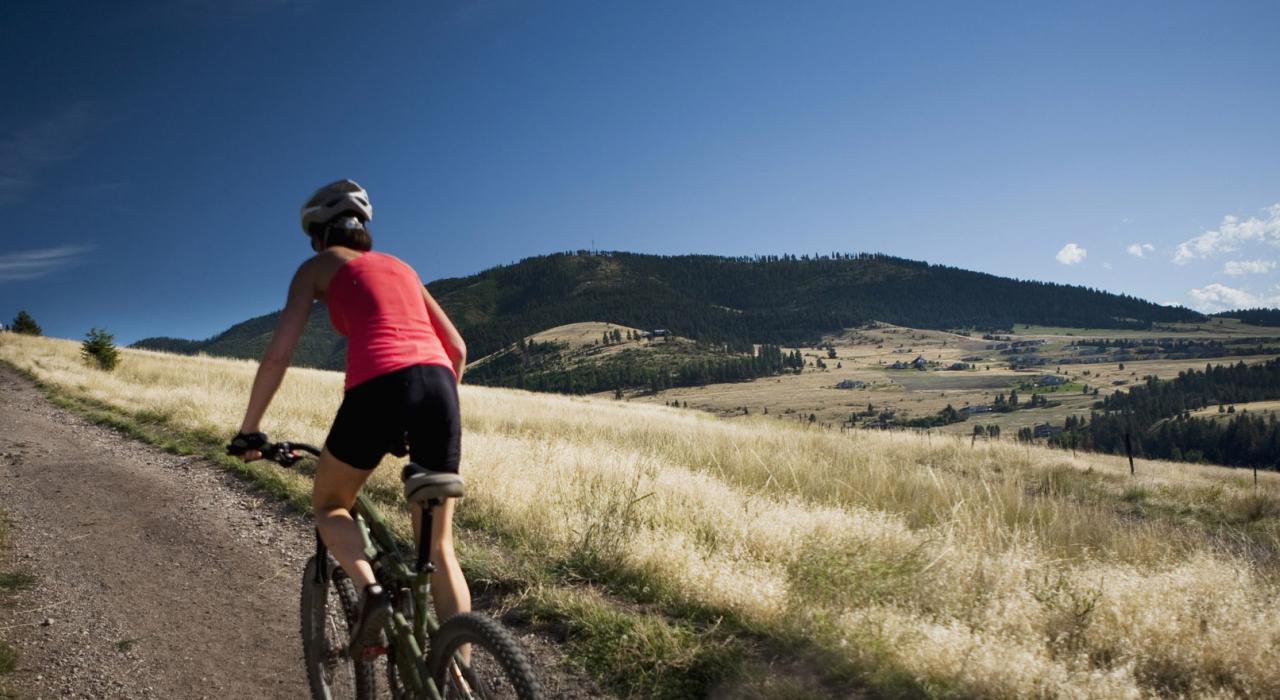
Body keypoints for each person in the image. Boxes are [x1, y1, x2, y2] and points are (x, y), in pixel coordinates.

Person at [227, 179, 470, 653]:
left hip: (377, 387)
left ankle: (371, 593)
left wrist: (249, 430)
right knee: (440, 549)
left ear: (319, 234)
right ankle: (461, 676)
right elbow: (457, 349)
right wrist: (423, 409)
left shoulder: (316, 267)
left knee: (330, 505)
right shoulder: (402, 267)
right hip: (440, 389)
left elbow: (278, 356)